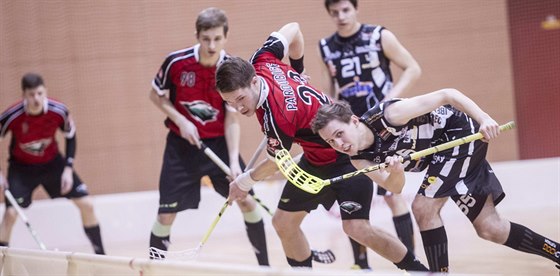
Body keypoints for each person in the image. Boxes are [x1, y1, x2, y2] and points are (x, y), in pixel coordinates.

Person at [215, 22, 428, 272]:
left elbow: (276, 163)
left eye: (240, 99)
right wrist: (297, 69)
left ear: (253, 82)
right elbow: (294, 28)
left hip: (345, 155)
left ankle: (418, 270)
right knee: (284, 222)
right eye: (230, 103)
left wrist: (244, 182)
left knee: (357, 228)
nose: (239, 109)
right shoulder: (263, 58)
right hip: (315, 160)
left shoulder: (279, 114)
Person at [310, 92, 560, 272]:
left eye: (339, 134)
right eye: (332, 142)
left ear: (353, 121)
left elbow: (447, 94)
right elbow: (394, 187)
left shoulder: (390, 115)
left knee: (423, 207)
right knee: (490, 228)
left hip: (459, 136)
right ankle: (556, 251)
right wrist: (397, 171)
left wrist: (484, 119)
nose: (339, 145)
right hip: (441, 159)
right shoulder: (358, 159)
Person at [148, 7, 269, 265]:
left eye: (217, 38)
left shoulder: (231, 68)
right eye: (206, 39)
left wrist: (235, 162)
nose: (211, 45)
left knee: (246, 201)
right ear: (197, 36)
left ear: (226, 36)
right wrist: (180, 120)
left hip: (219, 145)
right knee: (166, 215)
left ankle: (265, 267)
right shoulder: (177, 63)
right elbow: (155, 95)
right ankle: (151, 270)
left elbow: (231, 118)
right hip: (181, 147)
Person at [319, 0, 421, 269]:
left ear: (356, 9)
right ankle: (360, 264)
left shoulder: (379, 36)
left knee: (393, 195)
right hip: (349, 134)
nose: (341, 16)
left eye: (345, 10)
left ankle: (410, 262)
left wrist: (387, 104)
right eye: (334, 12)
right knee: (351, 195)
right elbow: (333, 91)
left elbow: (413, 68)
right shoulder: (327, 47)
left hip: (382, 130)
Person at [0, 73, 105, 254]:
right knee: (10, 215)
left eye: (40, 93)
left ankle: (101, 255)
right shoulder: (12, 115)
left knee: (87, 204)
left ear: (45, 91)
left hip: (52, 164)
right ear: (24, 94)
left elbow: (70, 136)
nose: (36, 99)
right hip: (21, 169)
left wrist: (68, 169)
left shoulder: (59, 111)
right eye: (31, 95)